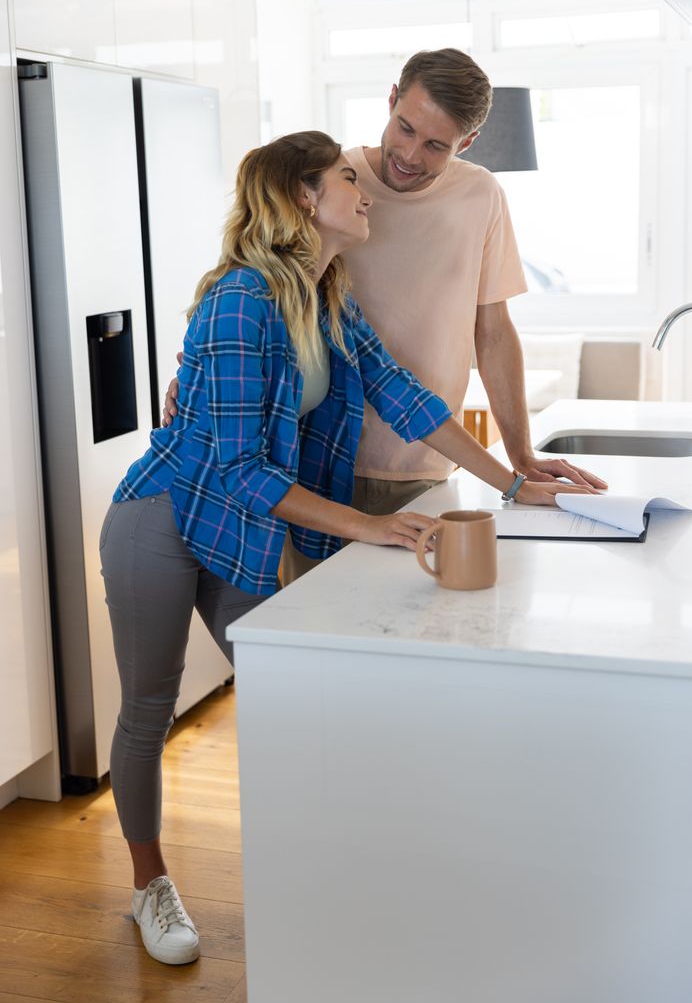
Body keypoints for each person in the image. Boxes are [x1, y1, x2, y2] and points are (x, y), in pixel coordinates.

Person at [101, 131, 595, 966]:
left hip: (239, 521)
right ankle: (151, 886)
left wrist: (513, 481)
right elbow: (233, 463)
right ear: (302, 197)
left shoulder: (325, 293)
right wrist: (368, 524)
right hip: (163, 514)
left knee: (290, 692)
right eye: (345, 179)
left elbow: (408, 398)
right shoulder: (241, 300)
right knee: (149, 707)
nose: (363, 191)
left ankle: (322, 867)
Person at [164, 49, 606, 585]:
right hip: (313, 462)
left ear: (465, 144)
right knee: (322, 627)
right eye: (405, 128)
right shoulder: (330, 183)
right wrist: (203, 384)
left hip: (428, 460)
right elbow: (247, 288)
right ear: (391, 100)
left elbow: (484, 337)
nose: (411, 154)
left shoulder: (478, 197)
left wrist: (518, 464)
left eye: (436, 145)